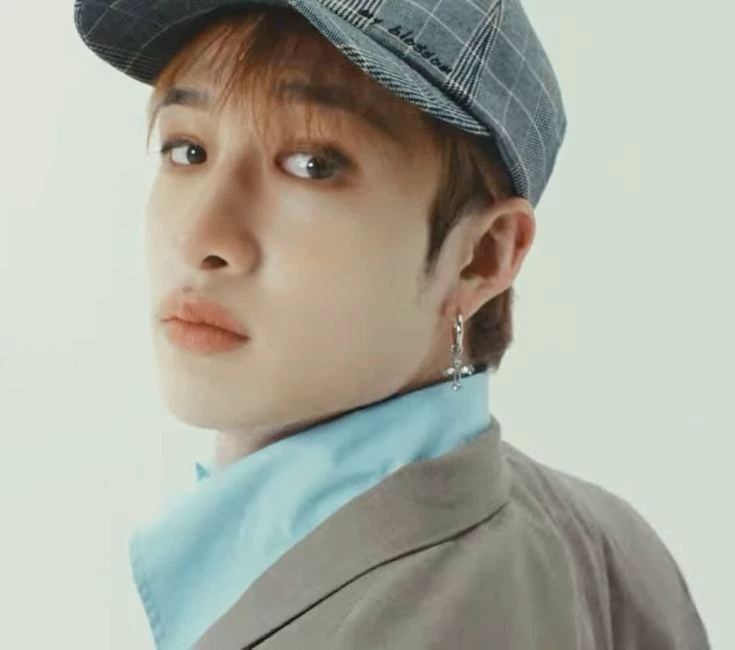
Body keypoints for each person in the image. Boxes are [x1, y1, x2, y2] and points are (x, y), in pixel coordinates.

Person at [74, 1, 711, 648]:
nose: (199, 236)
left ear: (481, 255)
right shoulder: (610, 541)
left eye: (313, 164)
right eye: (187, 151)